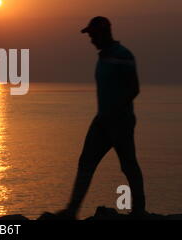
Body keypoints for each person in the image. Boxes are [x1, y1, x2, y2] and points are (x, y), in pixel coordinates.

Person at [58, 16, 146, 219]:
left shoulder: (123, 55)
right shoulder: (103, 56)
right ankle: (72, 210)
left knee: (128, 165)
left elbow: (134, 88)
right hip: (102, 120)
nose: (91, 39)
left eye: (93, 35)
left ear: (103, 33)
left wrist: (116, 112)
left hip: (120, 121)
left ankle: (139, 211)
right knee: (86, 162)